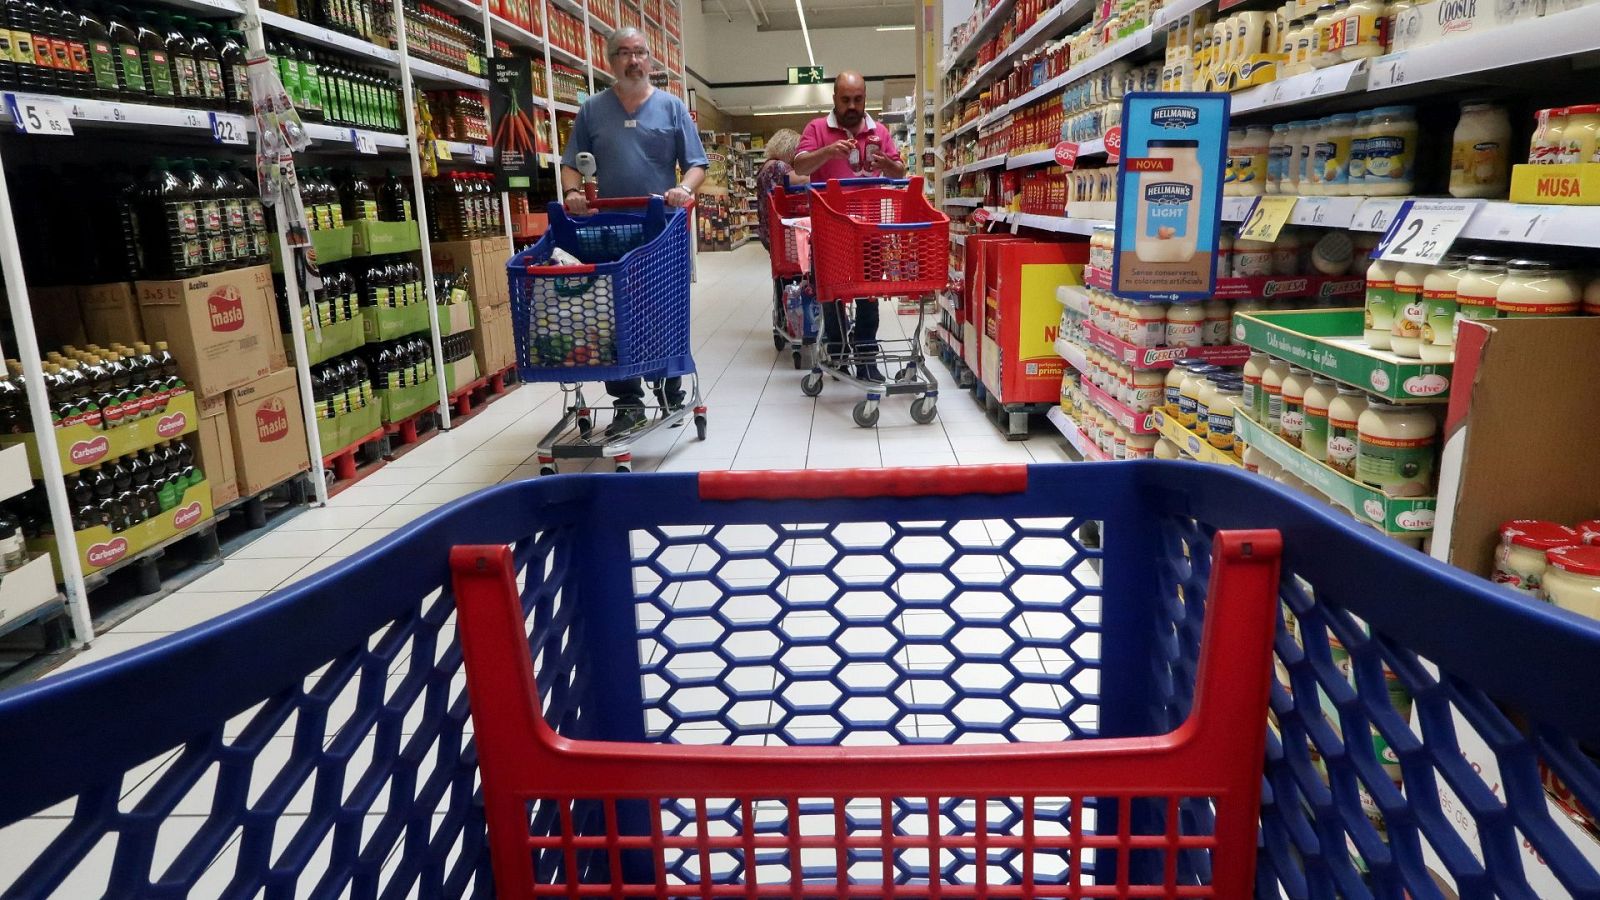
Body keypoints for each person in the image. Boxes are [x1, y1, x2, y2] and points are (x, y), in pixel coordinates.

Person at [561, 25, 708, 436]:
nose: (633, 60)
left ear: (650, 59)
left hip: (658, 229)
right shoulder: (592, 110)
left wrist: (682, 188)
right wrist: (573, 190)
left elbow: (697, 163)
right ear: (610, 61)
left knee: (661, 307)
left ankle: (667, 385)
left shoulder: (672, 108)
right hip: (607, 230)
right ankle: (626, 400)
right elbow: (571, 161)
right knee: (613, 315)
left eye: (640, 52)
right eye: (624, 53)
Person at [793, 72, 906, 382]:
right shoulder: (817, 129)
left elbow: (899, 172)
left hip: (868, 233)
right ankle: (839, 353)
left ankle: (866, 357)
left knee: (868, 297)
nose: (852, 106)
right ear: (834, 99)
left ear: (865, 99)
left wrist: (887, 164)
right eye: (846, 100)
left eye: (858, 99)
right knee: (831, 296)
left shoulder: (878, 131)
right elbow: (800, 166)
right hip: (829, 232)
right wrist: (828, 152)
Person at [754, 128, 805, 252]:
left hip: (767, 228)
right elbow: (801, 180)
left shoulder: (765, 165)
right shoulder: (778, 166)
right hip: (779, 229)